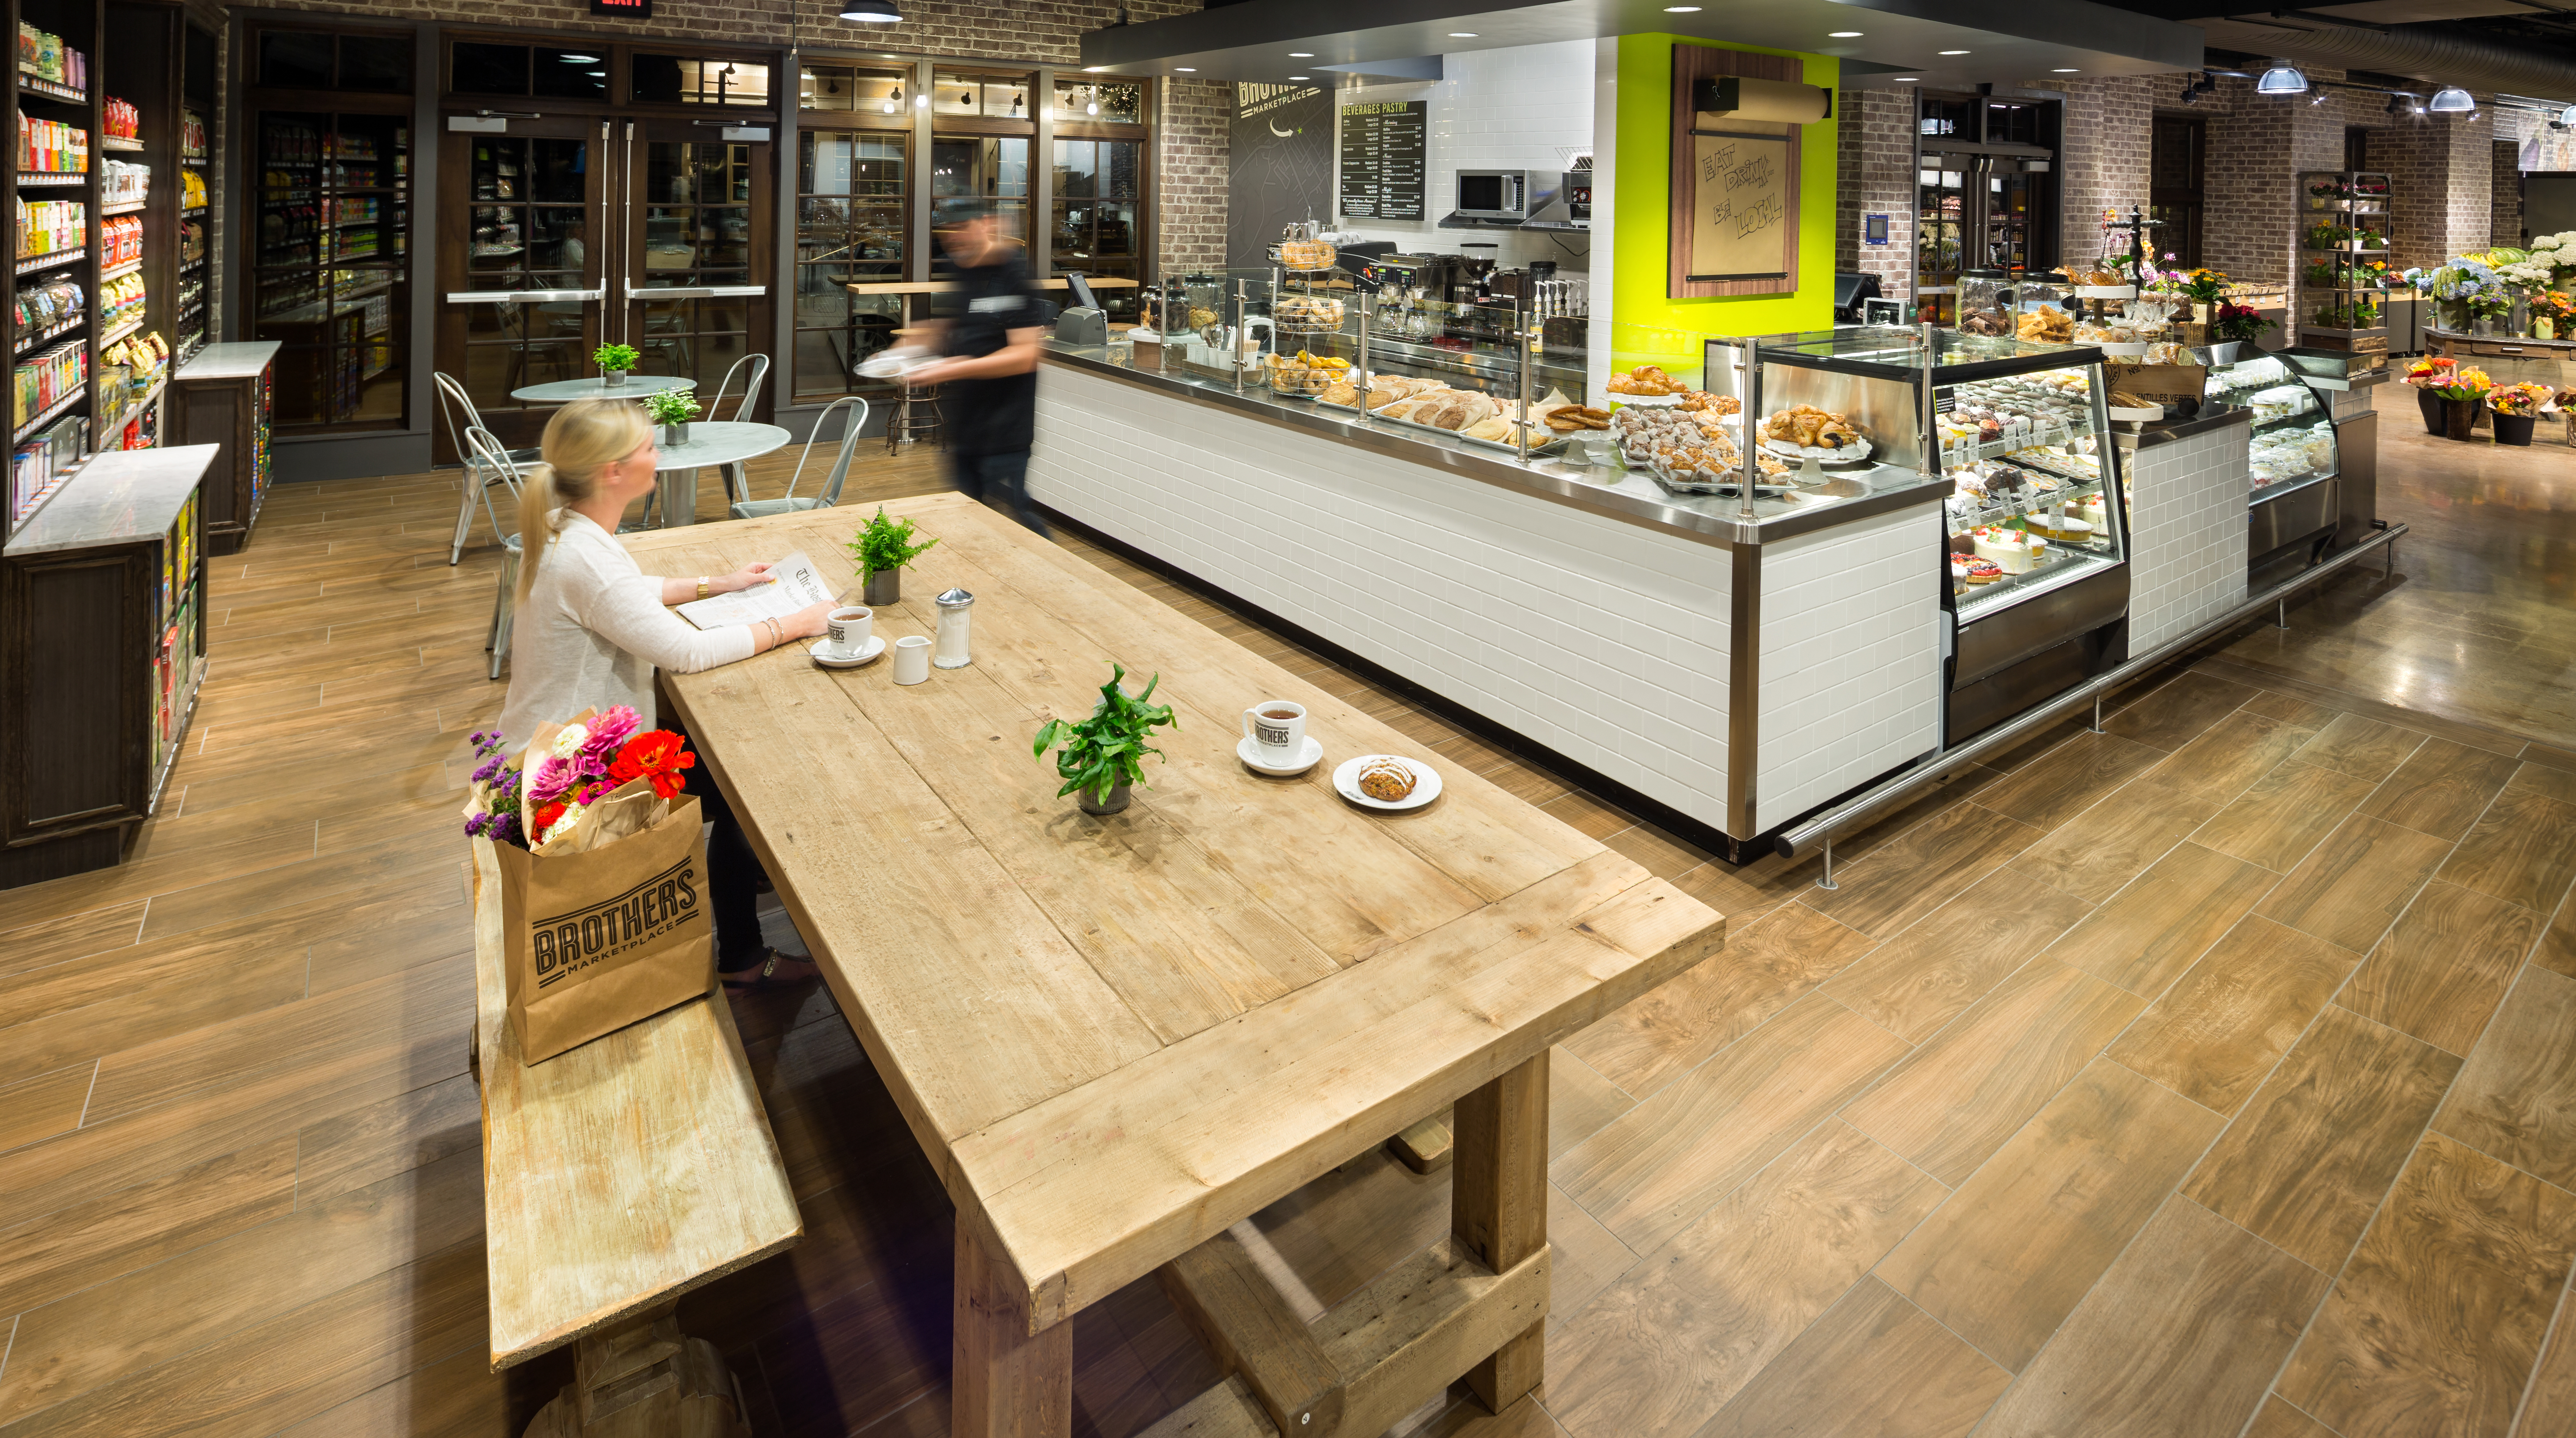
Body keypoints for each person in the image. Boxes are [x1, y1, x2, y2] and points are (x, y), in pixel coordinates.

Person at [496, 398, 835, 990]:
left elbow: (628, 591)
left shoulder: (569, 528)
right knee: (742, 781)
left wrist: (719, 584)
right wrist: (799, 624)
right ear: (613, 472)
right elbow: (688, 653)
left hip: (553, 746)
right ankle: (743, 954)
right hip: (573, 779)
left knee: (726, 782)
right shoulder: (584, 556)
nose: (660, 456)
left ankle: (747, 873)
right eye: (649, 448)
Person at [908, 203, 1049, 534]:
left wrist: (954, 368)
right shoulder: (964, 270)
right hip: (967, 427)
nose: (952, 238)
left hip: (1006, 429)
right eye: (947, 231)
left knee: (1017, 524)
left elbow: (1025, 355)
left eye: (961, 228)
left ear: (986, 224)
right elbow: (961, 325)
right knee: (968, 523)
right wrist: (913, 345)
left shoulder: (1013, 273)